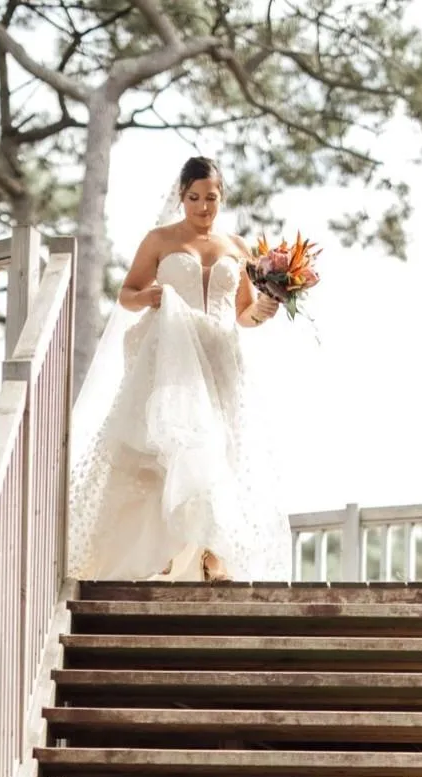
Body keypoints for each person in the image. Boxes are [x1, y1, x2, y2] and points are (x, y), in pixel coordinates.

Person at [66, 156, 294, 583]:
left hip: (219, 357)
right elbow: (127, 293)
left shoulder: (237, 248)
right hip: (171, 356)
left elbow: (243, 313)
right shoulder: (160, 239)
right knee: (165, 445)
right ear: (181, 196)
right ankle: (160, 547)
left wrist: (264, 311)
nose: (203, 207)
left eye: (211, 198)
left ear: (222, 198)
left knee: (220, 449)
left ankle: (213, 554)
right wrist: (149, 297)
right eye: (194, 198)